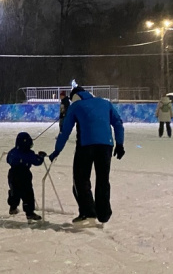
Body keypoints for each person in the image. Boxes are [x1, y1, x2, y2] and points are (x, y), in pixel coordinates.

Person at [49, 86, 125, 225]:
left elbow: (65, 131)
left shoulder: (76, 106)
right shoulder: (105, 103)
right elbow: (118, 123)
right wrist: (120, 143)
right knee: (103, 179)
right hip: (106, 146)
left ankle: (88, 212)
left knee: (80, 179)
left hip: (86, 146)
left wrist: (56, 151)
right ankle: (103, 214)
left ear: (74, 97)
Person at [7, 132, 46, 221]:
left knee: (14, 191)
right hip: (24, 174)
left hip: (12, 173)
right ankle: (29, 213)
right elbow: (37, 161)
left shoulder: (12, 151)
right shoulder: (28, 153)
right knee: (27, 194)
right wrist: (41, 156)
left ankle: (13, 207)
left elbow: (8, 159)